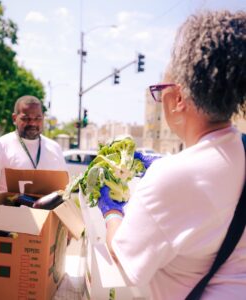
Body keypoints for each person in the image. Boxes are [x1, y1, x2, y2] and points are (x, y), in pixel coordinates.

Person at [98, 10, 246, 299]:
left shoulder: (171, 176)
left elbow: (125, 260)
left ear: (178, 98)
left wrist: (110, 209)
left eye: (159, 90)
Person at [0, 95, 67, 191]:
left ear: (43, 118)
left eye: (38, 118)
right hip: (8, 206)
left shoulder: (55, 148)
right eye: (26, 118)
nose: (32, 123)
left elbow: (64, 190)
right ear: (14, 118)